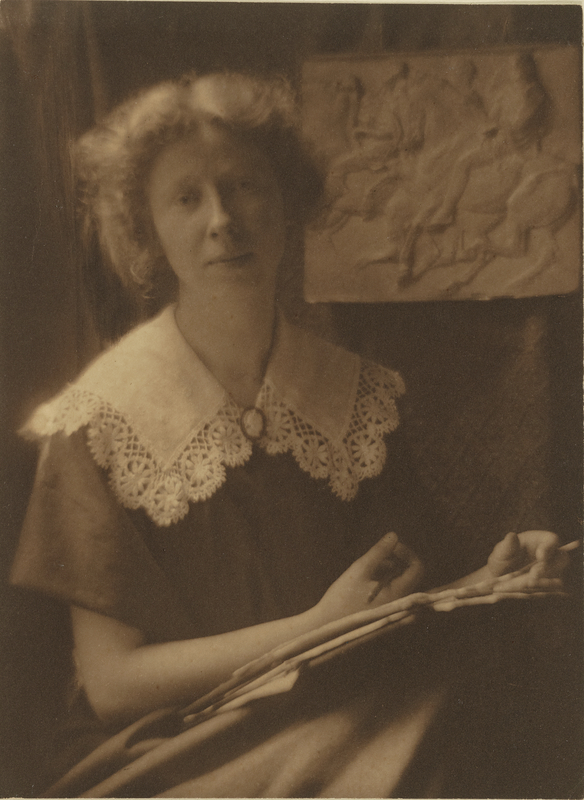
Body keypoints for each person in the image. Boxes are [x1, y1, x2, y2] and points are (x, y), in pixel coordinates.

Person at [9, 72, 574, 798]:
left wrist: (489, 580)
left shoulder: (356, 395)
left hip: (340, 711)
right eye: (187, 198)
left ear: (287, 205)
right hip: (169, 748)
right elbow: (114, 685)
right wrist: (311, 627)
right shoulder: (98, 424)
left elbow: (393, 602)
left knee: (486, 709)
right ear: (148, 230)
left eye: (245, 186)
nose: (222, 220)